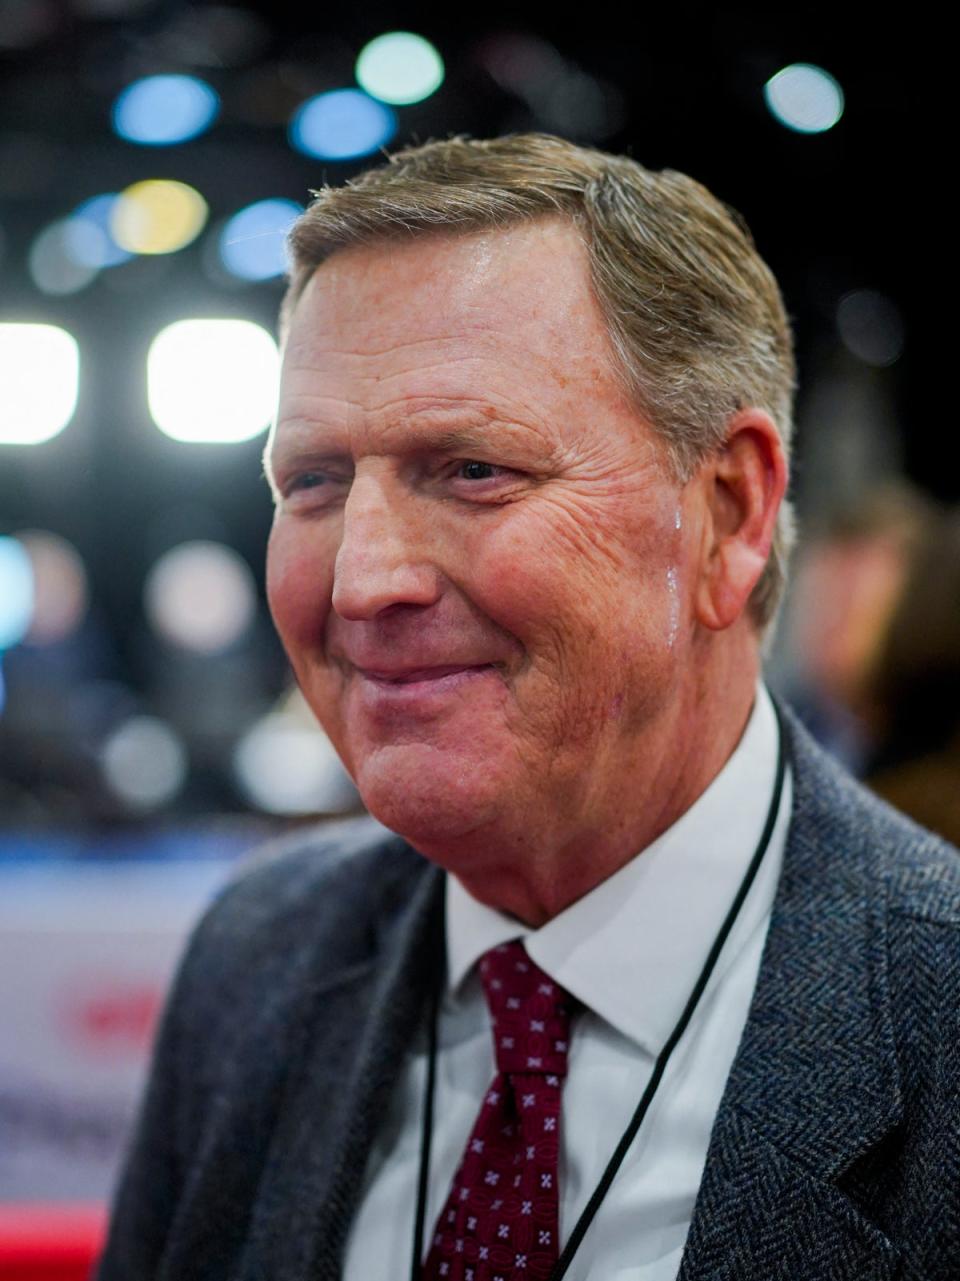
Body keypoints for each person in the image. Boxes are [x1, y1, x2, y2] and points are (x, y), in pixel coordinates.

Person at [97, 135, 960, 1281]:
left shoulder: (935, 1017)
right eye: (313, 482)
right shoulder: (256, 963)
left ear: (730, 514)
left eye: (471, 471)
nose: (362, 580)